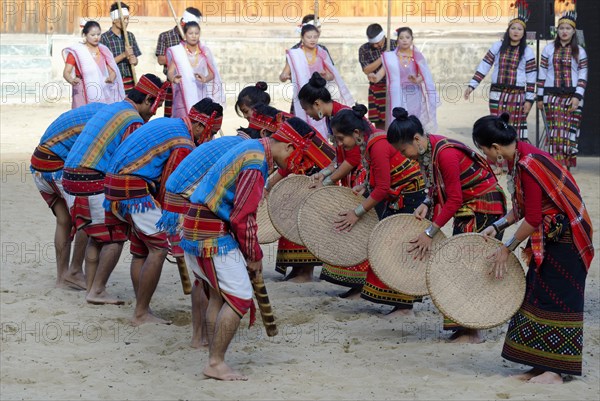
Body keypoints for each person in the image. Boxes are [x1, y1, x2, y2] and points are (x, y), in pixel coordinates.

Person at [182, 117, 335, 380]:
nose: (295, 163)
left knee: (218, 296)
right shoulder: (256, 162)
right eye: (297, 155)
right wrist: (254, 256)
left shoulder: (251, 147)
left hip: (196, 225)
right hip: (211, 233)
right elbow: (244, 217)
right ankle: (215, 362)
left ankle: (211, 349)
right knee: (240, 299)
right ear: (287, 146)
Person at [473, 113, 594, 384]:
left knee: (559, 301)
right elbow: (524, 209)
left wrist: (508, 246)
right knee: (537, 295)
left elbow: (534, 218)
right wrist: (499, 225)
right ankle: (541, 365)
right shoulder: (522, 157)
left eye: (484, 150)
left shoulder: (528, 164)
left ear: (495, 147)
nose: (487, 157)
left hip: (565, 238)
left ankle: (555, 370)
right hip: (552, 236)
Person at [157, 104, 278, 348]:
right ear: (267, 137)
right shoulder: (248, 152)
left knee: (206, 279)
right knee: (206, 280)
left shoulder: (239, 144)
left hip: (182, 198)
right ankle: (201, 338)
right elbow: (236, 208)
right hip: (189, 203)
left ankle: (200, 337)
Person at [387, 107, 507, 341]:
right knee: (462, 265)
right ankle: (465, 327)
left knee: (469, 266)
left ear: (416, 139)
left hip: (483, 207)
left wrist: (430, 232)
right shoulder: (429, 150)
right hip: (470, 208)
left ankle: (473, 331)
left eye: (404, 150)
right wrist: (426, 201)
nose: (404, 156)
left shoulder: (444, 153)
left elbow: (454, 199)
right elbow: (436, 187)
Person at [103, 98, 222, 326]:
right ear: (198, 126)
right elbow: (171, 188)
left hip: (115, 185)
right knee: (158, 249)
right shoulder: (184, 142)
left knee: (141, 251)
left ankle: (143, 308)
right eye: (211, 132)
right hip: (132, 189)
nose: (211, 138)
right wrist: (173, 222)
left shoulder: (171, 123)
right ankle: (140, 313)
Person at [62, 74, 167, 305]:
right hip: (90, 177)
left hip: (71, 176)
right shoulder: (133, 121)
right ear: (148, 100)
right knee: (115, 235)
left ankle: (92, 286)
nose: (155, 112)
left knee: (96, 234)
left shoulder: (115, 108)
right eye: (155, 106)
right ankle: (97, 290)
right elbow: (127, 164)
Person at [328, 105, 426, 313]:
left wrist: (357, 213)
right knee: (393, 245)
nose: (339, 144)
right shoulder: (372, 142)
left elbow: (383, 188)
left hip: (410, 197)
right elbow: (381, 180)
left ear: (356, 133)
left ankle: (404, 304)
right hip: (400, 195)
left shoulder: (378, 145)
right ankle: (400, 302)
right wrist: (366, 186)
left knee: (400, 246)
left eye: (340, 138)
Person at [298, 74, 368, 295]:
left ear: (317, 104)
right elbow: (340, 157)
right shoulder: (332, 116)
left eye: (307, 109)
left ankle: (359, 284)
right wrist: (324, 173)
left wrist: (327, 181)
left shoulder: (341, 115)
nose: (308, 114)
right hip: (352, 175)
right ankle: (355, 283)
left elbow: (353, 160)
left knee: (356, 227)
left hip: (361, 177)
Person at [30, 102, 107, 290]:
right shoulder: (109, 123)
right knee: (84, 218)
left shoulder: (100, 109)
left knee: (64, 220)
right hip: (56, 168)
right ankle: (74, 271)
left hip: (38, 163)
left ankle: (62, 277)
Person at [464, 2, 536, 141]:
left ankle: (515, 161)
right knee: (497, 126)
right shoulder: (497, 46)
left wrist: (529, 100)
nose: (516, 31)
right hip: (497, 93)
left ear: (524, 33)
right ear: (508, 30)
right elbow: (484, 66)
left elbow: (531, 77)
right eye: (513, 28)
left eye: (519, 29)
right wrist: (472, 85)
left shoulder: (527, 51)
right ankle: (498, 161)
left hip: (517, 95)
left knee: (514, 128)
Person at [279, 23, 353, 138]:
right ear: (302, 38)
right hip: (302, 96)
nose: (312, 40)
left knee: (321, 125)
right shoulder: (295, 54)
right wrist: (284, 76)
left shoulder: (322, 52)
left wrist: (325, 76)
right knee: (301, 125)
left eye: (315, 37)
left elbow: (331, 75)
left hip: (318, 95)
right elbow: (284, 74)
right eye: (309, 37)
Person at [537, 11, 587, 169]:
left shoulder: (580, 50)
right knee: (555, 130)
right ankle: (555, 163)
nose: (564, 31)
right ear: (557, 31)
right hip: (552, 96)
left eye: (568, 28)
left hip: (573, 96)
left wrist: (577, 96)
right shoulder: (548, 49)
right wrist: (539, 97)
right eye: (561, 28)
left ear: (573, 31)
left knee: (570, 131)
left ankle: (567, 163)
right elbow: (542, 72)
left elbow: (582, 75)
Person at [368, 27, 438, 131]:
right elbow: (379, 75)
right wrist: (374, 77)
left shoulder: (417, 56)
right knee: (399, 121)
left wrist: (416, 80)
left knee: (413, 120)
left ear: (411, 39)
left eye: (407, 37)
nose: (404, 40)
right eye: (401, 38)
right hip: (397, 94)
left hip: (414, 94)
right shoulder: (390, 57)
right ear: (397, 41)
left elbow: (424, 76)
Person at [166, 21, 224, 118]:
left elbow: (212, 74)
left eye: (196, 33)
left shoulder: (204, 52)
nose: (194, 36)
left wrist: (205, 79)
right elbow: (170, 72)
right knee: (183, 124)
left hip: (200, 93)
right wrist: (173, 78)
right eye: (190, 33)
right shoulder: (179, 52)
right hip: (183, 94)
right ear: (185, 35)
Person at [63, 20, 124, 108]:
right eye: (92, 35)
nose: (96, 37)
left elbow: (112, 70)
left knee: (99, 115)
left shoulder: (103, 50)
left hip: (102, 87)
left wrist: (111, 78)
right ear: (85, 35)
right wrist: (71, 80)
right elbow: (66, 72)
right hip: (81, 88)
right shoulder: (77, 51)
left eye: (98, 34)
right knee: (82, 116)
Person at [156, 7, 202, 117]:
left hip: (191, 83)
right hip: (173, 83)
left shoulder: (194, 39)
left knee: (191, 117)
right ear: (182, 23)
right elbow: (161, 59)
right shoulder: (165, 36)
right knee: (170, 116)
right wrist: (179, 56)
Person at [359, 23, 397, 130]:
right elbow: (366, 69)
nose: (376, 46)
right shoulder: (364, 49)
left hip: (393, 87)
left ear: (383, 37)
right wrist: (383, 57)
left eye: (378, 43)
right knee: (379, 121)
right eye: (373, 44)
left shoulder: (394, 44)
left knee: (394, 118)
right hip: (376, 89)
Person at [100, 2, 141, 94]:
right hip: (113, 81)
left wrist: (135, 60)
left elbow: (135, 59)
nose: (126, 22)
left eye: (127, 19)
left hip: (130, 80)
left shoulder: (130, 36)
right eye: (123, 19)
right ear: (114, 20)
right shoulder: (104, 38)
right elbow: (103, 64)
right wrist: (123, 55)